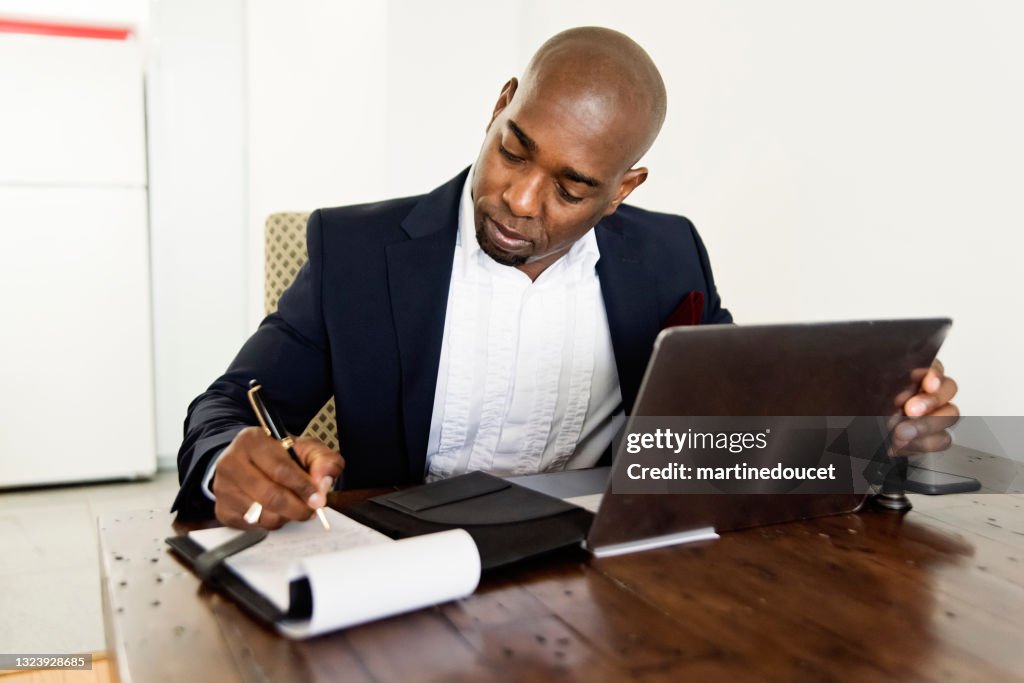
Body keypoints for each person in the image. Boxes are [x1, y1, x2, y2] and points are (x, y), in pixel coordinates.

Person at [172, 27, 959, 527]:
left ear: (624, 189)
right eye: (514, 149)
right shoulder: (355, 250)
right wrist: (228, 457)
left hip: (607, 574)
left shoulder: (669, 255)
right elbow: (223, 406)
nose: (519, 199)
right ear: (501, 105)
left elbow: (726, 436)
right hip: (411, 573)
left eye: (572, 186)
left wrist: (870, 435)